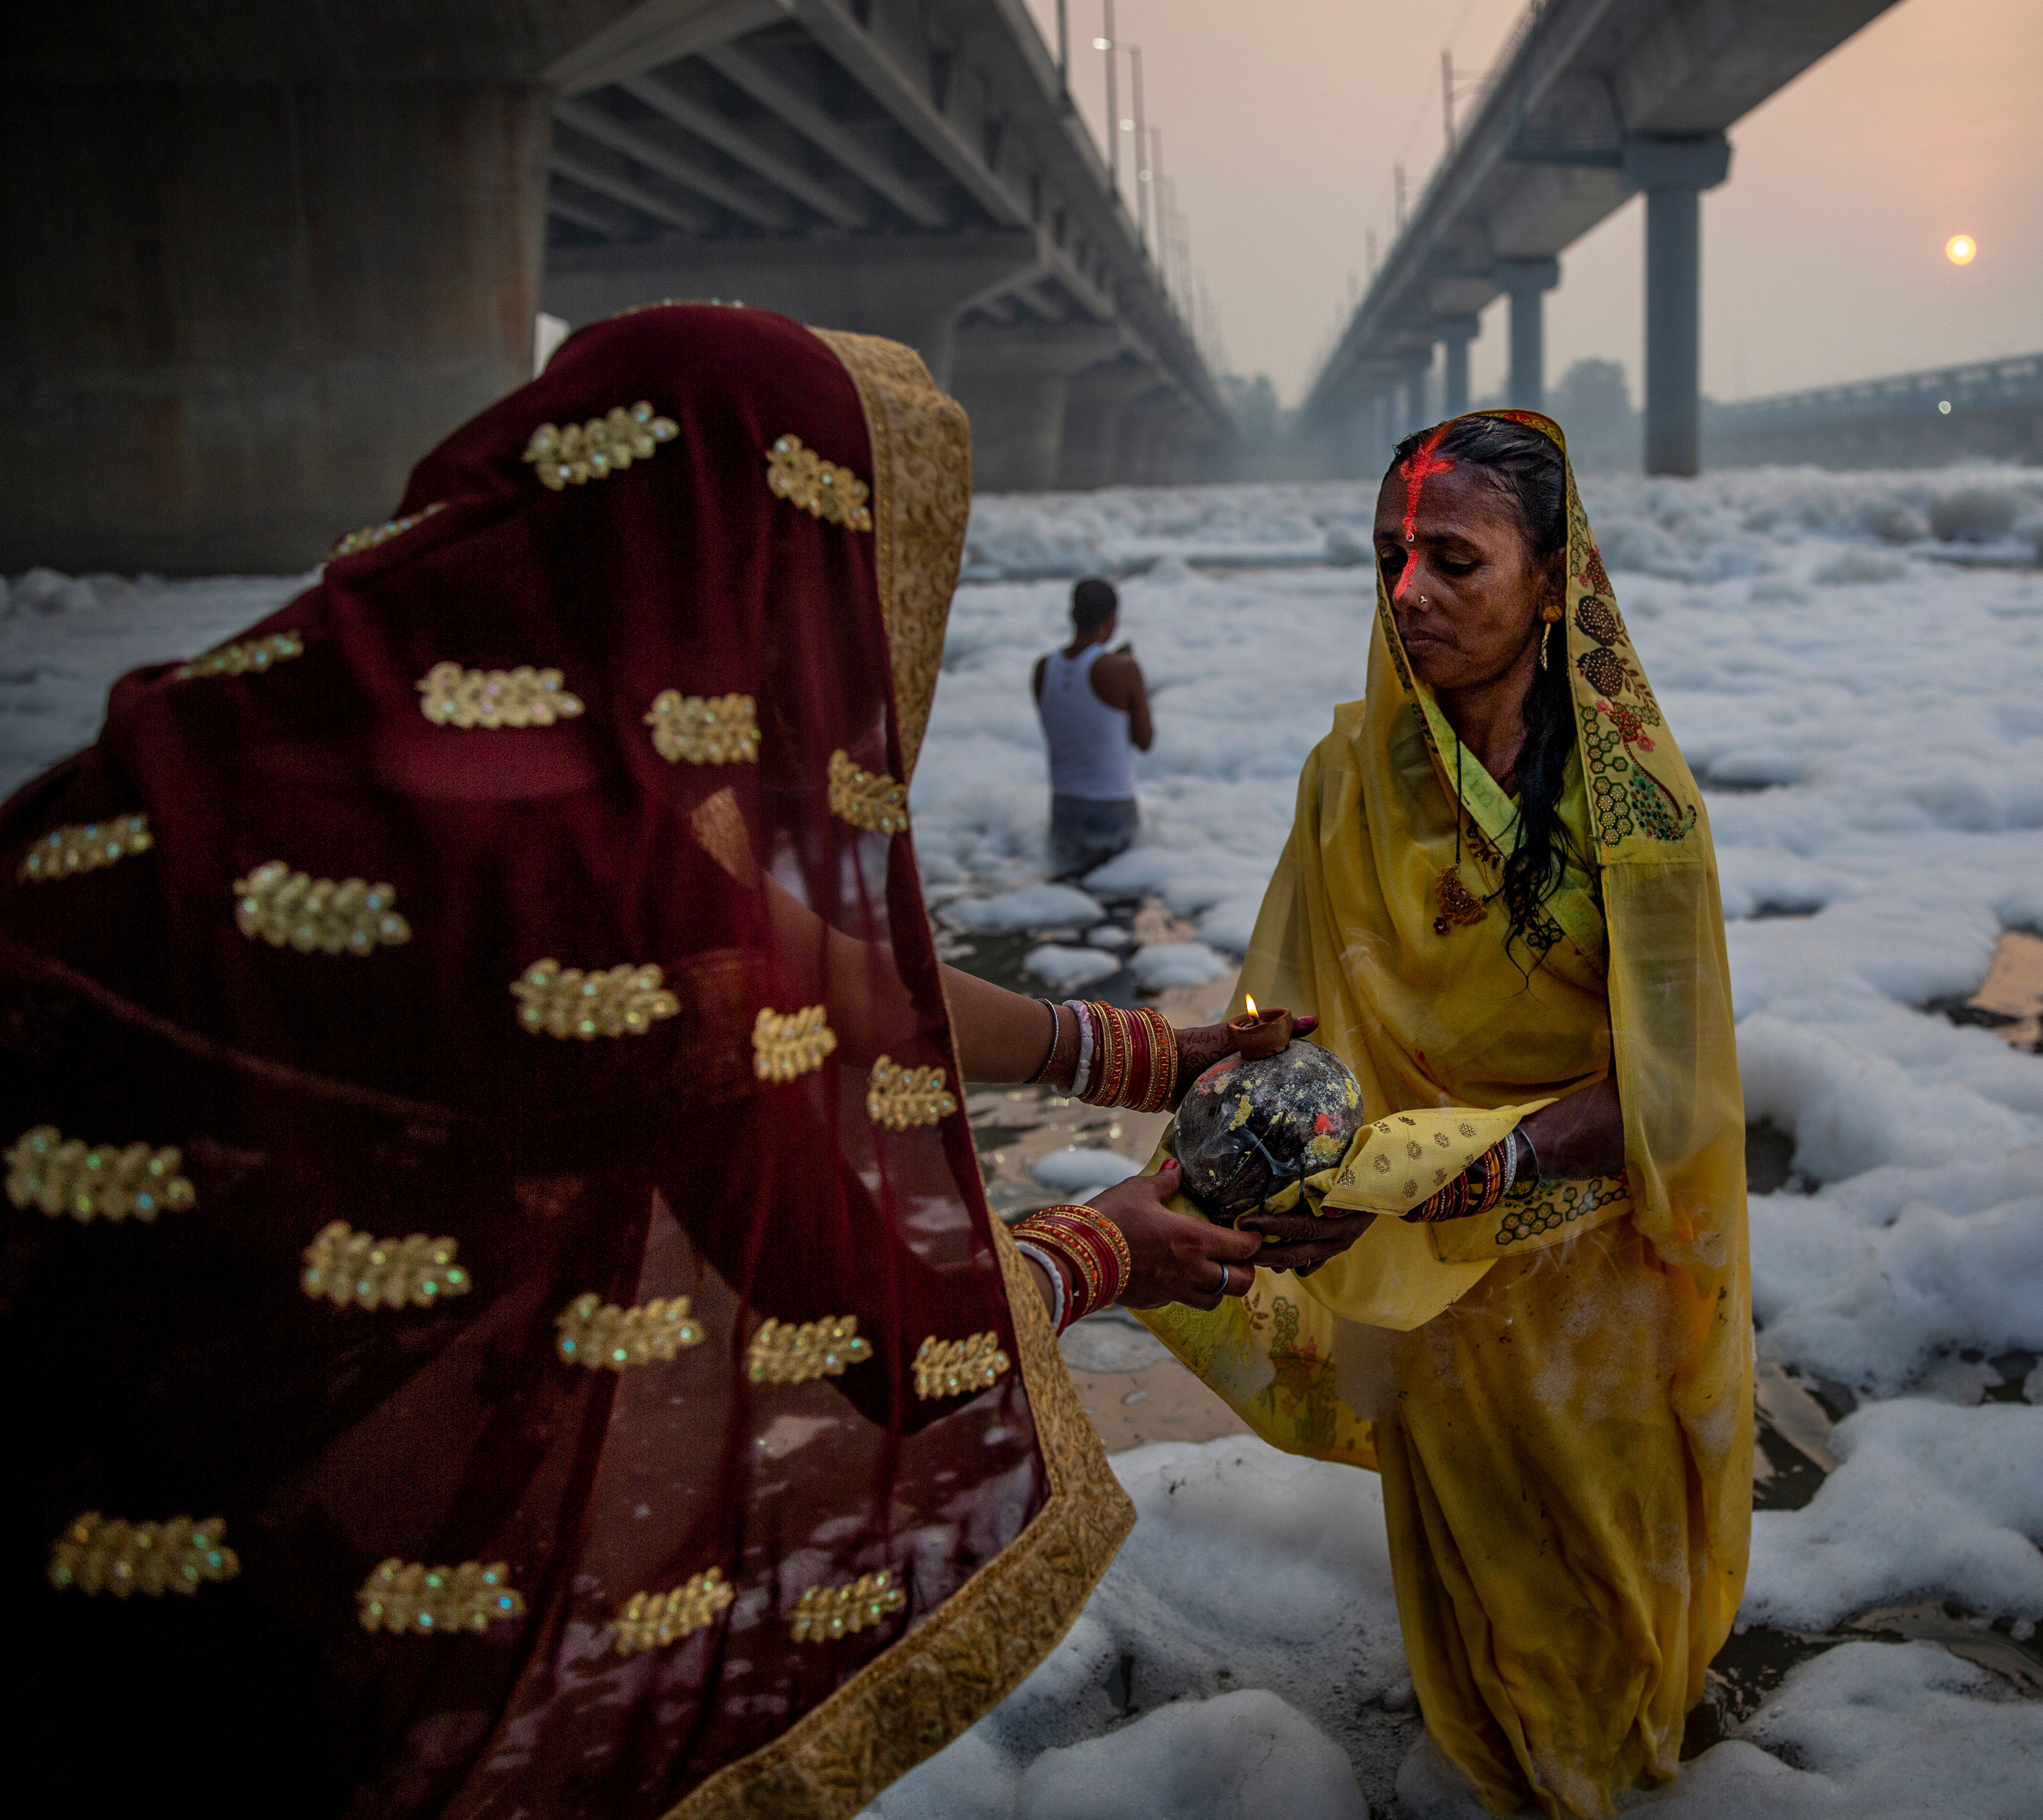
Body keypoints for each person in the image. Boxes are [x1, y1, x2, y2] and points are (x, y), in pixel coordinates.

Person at [0, 302, 1274, 1816]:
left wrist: (1131, 1051)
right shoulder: (599, 881)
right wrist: (1103, 1245)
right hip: (194, 1505)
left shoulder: (312, 690)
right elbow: (868, 1317)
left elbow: (819, 964)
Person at [1138, 411, 1753, 1818]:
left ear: (1553, 578)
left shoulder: (1635, 808)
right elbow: (1288, 1021)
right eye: (1387, 556)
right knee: (1471, 1561)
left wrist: (1496, 1161)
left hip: (1583, 1266)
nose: (1407, 592)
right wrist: (1247, 1166)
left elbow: (1673, 1081)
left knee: (1597, 1567)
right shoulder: (1347, 780)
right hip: (1416, 1266)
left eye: (1452, 559)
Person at [1034, 577, 1152, 875]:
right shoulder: (1123, 668)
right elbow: (1144, 740)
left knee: (1068, 903)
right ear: (1111, 620)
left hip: (1063, 804)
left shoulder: (1044, 669)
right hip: (1112, 803)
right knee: (1117, 906)